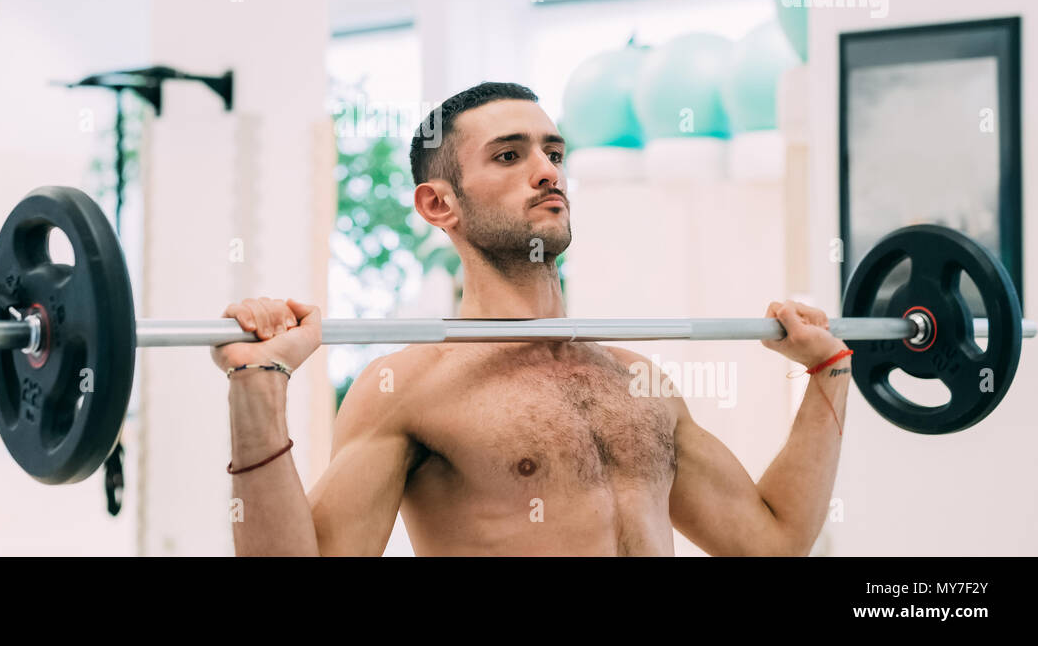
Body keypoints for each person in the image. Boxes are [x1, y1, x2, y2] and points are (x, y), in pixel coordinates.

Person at [213, 81, 851, 555]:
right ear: (439, 204)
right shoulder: (409, 391)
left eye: (553, 151)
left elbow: (773, 541)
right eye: (509, 156)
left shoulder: (635, 382)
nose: (548, 171)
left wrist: (829, 369)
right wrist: (258, 384)